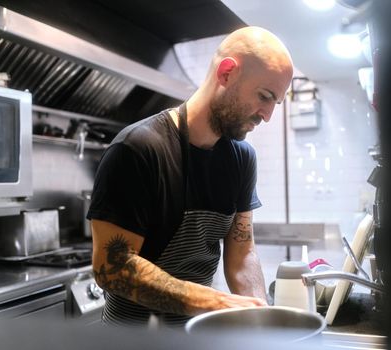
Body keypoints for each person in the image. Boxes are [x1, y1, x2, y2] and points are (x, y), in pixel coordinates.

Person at [87, 25, 294, 327]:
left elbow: (242, 250)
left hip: (195, 333)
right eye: (264, 96)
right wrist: (217, 301)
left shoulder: (241, 158)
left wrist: (260, 317)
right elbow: (112, 267)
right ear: (226, 73)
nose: (267, 115)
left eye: (274, 103)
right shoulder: (138, 148)